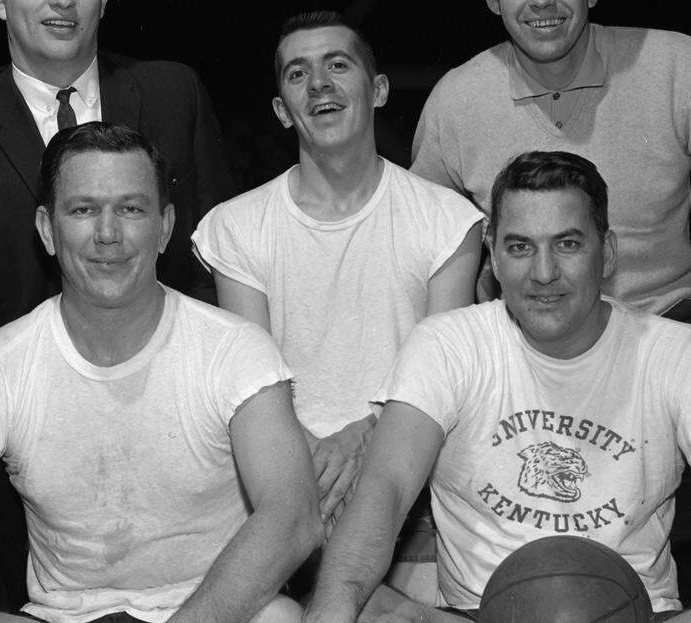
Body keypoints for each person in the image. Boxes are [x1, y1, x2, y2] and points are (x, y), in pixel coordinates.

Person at [302, 151, 691, 623]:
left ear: (606, 253)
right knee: (356, 609)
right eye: (520, 247)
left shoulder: (676, 352)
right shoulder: (448, 343)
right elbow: (385, 487)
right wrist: (329, 622)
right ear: (492, 254)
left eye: (567, 243)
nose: (543, 274)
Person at [410, 0, 691, 597]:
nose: (540, 4)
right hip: (527, 334)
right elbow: (417, 242)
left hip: (663, 322)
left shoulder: (672, 64)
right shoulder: (458, 98)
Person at [0, 123, 322, 623]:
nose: (108, 233)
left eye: (131, 209)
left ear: (164, 227)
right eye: (83, 209)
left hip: (202, 622)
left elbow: (293, 515)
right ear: (47, 229)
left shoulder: (235, 349)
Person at [0, 0, 232, 608]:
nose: (62, 2)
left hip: (186, 447)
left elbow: (216, 264)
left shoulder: (173, 92)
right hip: (25, 476)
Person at [191, 11, 483, 529]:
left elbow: (442, 379)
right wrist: (316, 472)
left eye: (338, 65)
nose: (320, 84)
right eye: (298, 74)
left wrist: (360, 439)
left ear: (380, 90)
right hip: (287, 487)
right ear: (283, 111)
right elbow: (256, 385)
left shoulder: (450, 222)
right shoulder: (234, 227)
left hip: (415, 487)